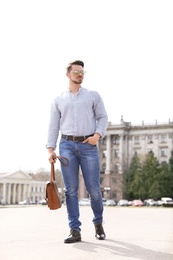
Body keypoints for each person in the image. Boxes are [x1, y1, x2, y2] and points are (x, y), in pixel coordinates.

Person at [46, 60, 108, 243]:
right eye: (76, 72)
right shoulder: (58, 99)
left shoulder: (93, 95)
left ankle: (98, 223)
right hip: (66, 146)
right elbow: (53, 126)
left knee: (94, 189)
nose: (80, 74)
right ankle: (75, 229)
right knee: (71, 190)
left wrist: (97, 135)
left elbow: (103, 117)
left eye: (82, 72)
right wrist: (50, 149)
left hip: (89, 145)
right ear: (68, 74)